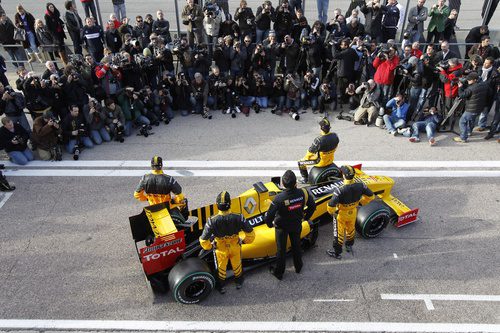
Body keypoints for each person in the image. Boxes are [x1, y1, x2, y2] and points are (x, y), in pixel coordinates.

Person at [199, 191, 255, 293]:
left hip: (220, 249)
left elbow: (203, 240)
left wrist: (210, 247)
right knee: (237, 266)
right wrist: (243, 241)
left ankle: (221, 288)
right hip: (235, 247)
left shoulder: (211, 221)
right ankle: (239, 283)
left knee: (221, 269)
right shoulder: (239, 217)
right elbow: (251, 235)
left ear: (217, 205)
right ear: (230, 203)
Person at [264, 170, 316, 280]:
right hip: (296, 224)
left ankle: (279, 273)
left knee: (281, 250)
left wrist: (269, 224)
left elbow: (269, 216)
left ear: (282, 184)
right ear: (295, 183)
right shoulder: (303, 193)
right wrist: (305, 218)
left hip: (281, 227)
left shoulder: (278, 198)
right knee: (296, 245)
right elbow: (312, 206)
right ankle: (298, 267)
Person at [326, 165, 374, 259]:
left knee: (338, 234)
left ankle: (337, 253)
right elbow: (371, 196)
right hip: (353, 211)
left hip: (341, 214)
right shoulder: (361, 185)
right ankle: (349, 246)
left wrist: (334, 212)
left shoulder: (339, 190)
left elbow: (330, 206)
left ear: (343, 175)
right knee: (351, 230)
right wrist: (361, 202)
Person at [297, 118, 339, 184]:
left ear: (321, 128)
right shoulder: (335, 136)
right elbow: (336, 147)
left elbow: (310, 153)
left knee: (300, 162)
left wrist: (305, 159)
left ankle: (305, 179)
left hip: (320, 162)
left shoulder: (319, 140)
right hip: (330, 160)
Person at [453, 72, 489, 143]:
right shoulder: (484, 85)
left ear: (475, 80)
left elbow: (462, 95)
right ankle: (469, 132)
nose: (468, 81)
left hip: (471, 109)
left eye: (469, 80)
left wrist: (460, 87)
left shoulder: (471, 88)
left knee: (462, 122)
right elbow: (489, 94)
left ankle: (463, 138)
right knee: (472, 120)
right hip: (479, 108)